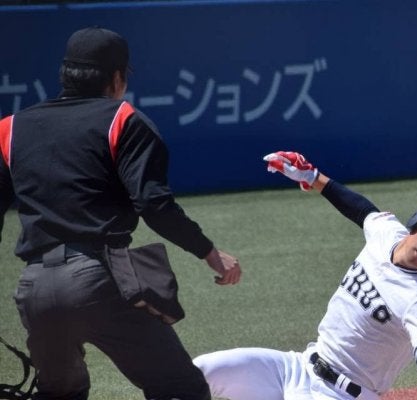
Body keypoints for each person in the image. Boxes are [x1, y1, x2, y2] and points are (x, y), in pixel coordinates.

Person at [0, 27, 242, 399]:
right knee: (180, 387)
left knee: (61, 394)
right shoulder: (123, 120)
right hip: (97, 280)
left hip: (35, 291)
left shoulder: (10, 128)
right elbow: (154, 204)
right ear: (116, 78)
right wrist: (209, 252)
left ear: (65, 74)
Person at [193, 151, 417, 400]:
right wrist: (313, 176)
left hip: (344, 394)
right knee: (195, 374)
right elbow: (361, 210)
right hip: (297, 369)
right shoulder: (388, 233)